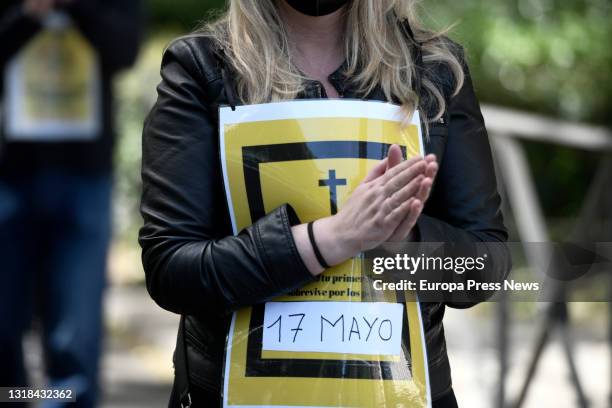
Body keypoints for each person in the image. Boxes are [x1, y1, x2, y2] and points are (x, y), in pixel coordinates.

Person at [140, 0, 510, 407]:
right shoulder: (202, 67)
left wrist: (404, 241)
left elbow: (486, 266)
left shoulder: (435, 71)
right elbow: (171, 269)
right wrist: (328, 240)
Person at [0, 0, 141, 406]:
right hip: (11, 178)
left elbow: (124, 50)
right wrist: (29, 16)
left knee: (73, 339)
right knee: (4, 334)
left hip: (85, 177)